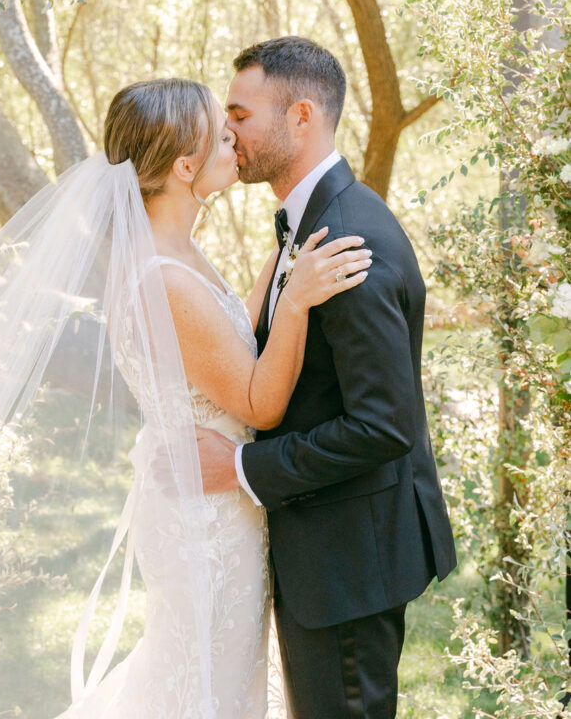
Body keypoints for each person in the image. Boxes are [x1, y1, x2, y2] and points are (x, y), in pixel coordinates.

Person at [0, 76, 370, 718]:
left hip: (216, 500)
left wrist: (285, 259)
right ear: (183, 165)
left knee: (208, 679)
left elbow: (231, 335)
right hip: (204, 520)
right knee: (201, 685)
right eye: (219, 133)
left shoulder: (175, 251)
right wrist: (303, 299)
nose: (234, 140)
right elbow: (259, 403)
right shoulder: (163, 277)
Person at [196, 37, 458, 719]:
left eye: (241, 114)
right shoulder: (309, 225)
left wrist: (243, 467)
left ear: (302, 116)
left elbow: (382, 426)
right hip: (329, 546)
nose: (228, 131)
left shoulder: (348, 240)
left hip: (348, 559)